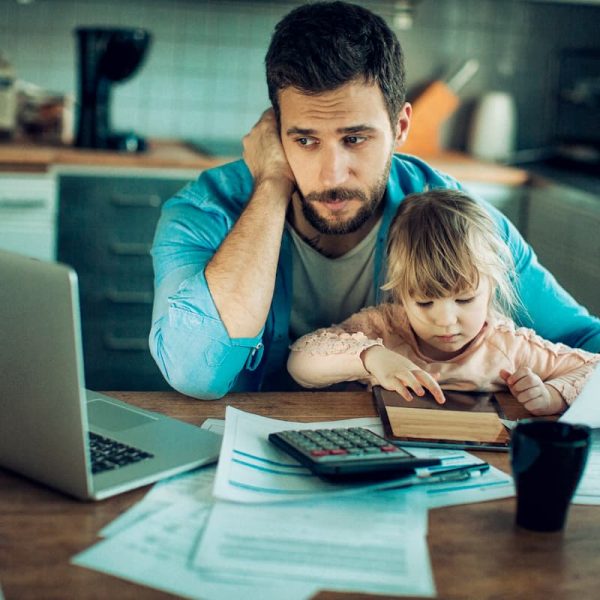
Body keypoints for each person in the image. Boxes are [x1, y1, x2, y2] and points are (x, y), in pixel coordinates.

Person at [149, 1, 600, 400]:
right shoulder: (204, 212)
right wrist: (271, 186)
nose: (332, 174)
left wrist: (556, 392)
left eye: (355, 138)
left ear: (400, 127)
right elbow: (196, 374)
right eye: (304, 140)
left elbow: (586, 343)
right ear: (274, 131)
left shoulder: (456, 222)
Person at [287, 190, 600, 415]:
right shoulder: (385, 328)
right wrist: (371, 357)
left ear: (491, 287)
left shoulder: (509, 347)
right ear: (401, 293)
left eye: (464, 299)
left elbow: (594, 369)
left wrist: (553, 396)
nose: (446, 321)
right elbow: (300, 363)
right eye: (425, 303)